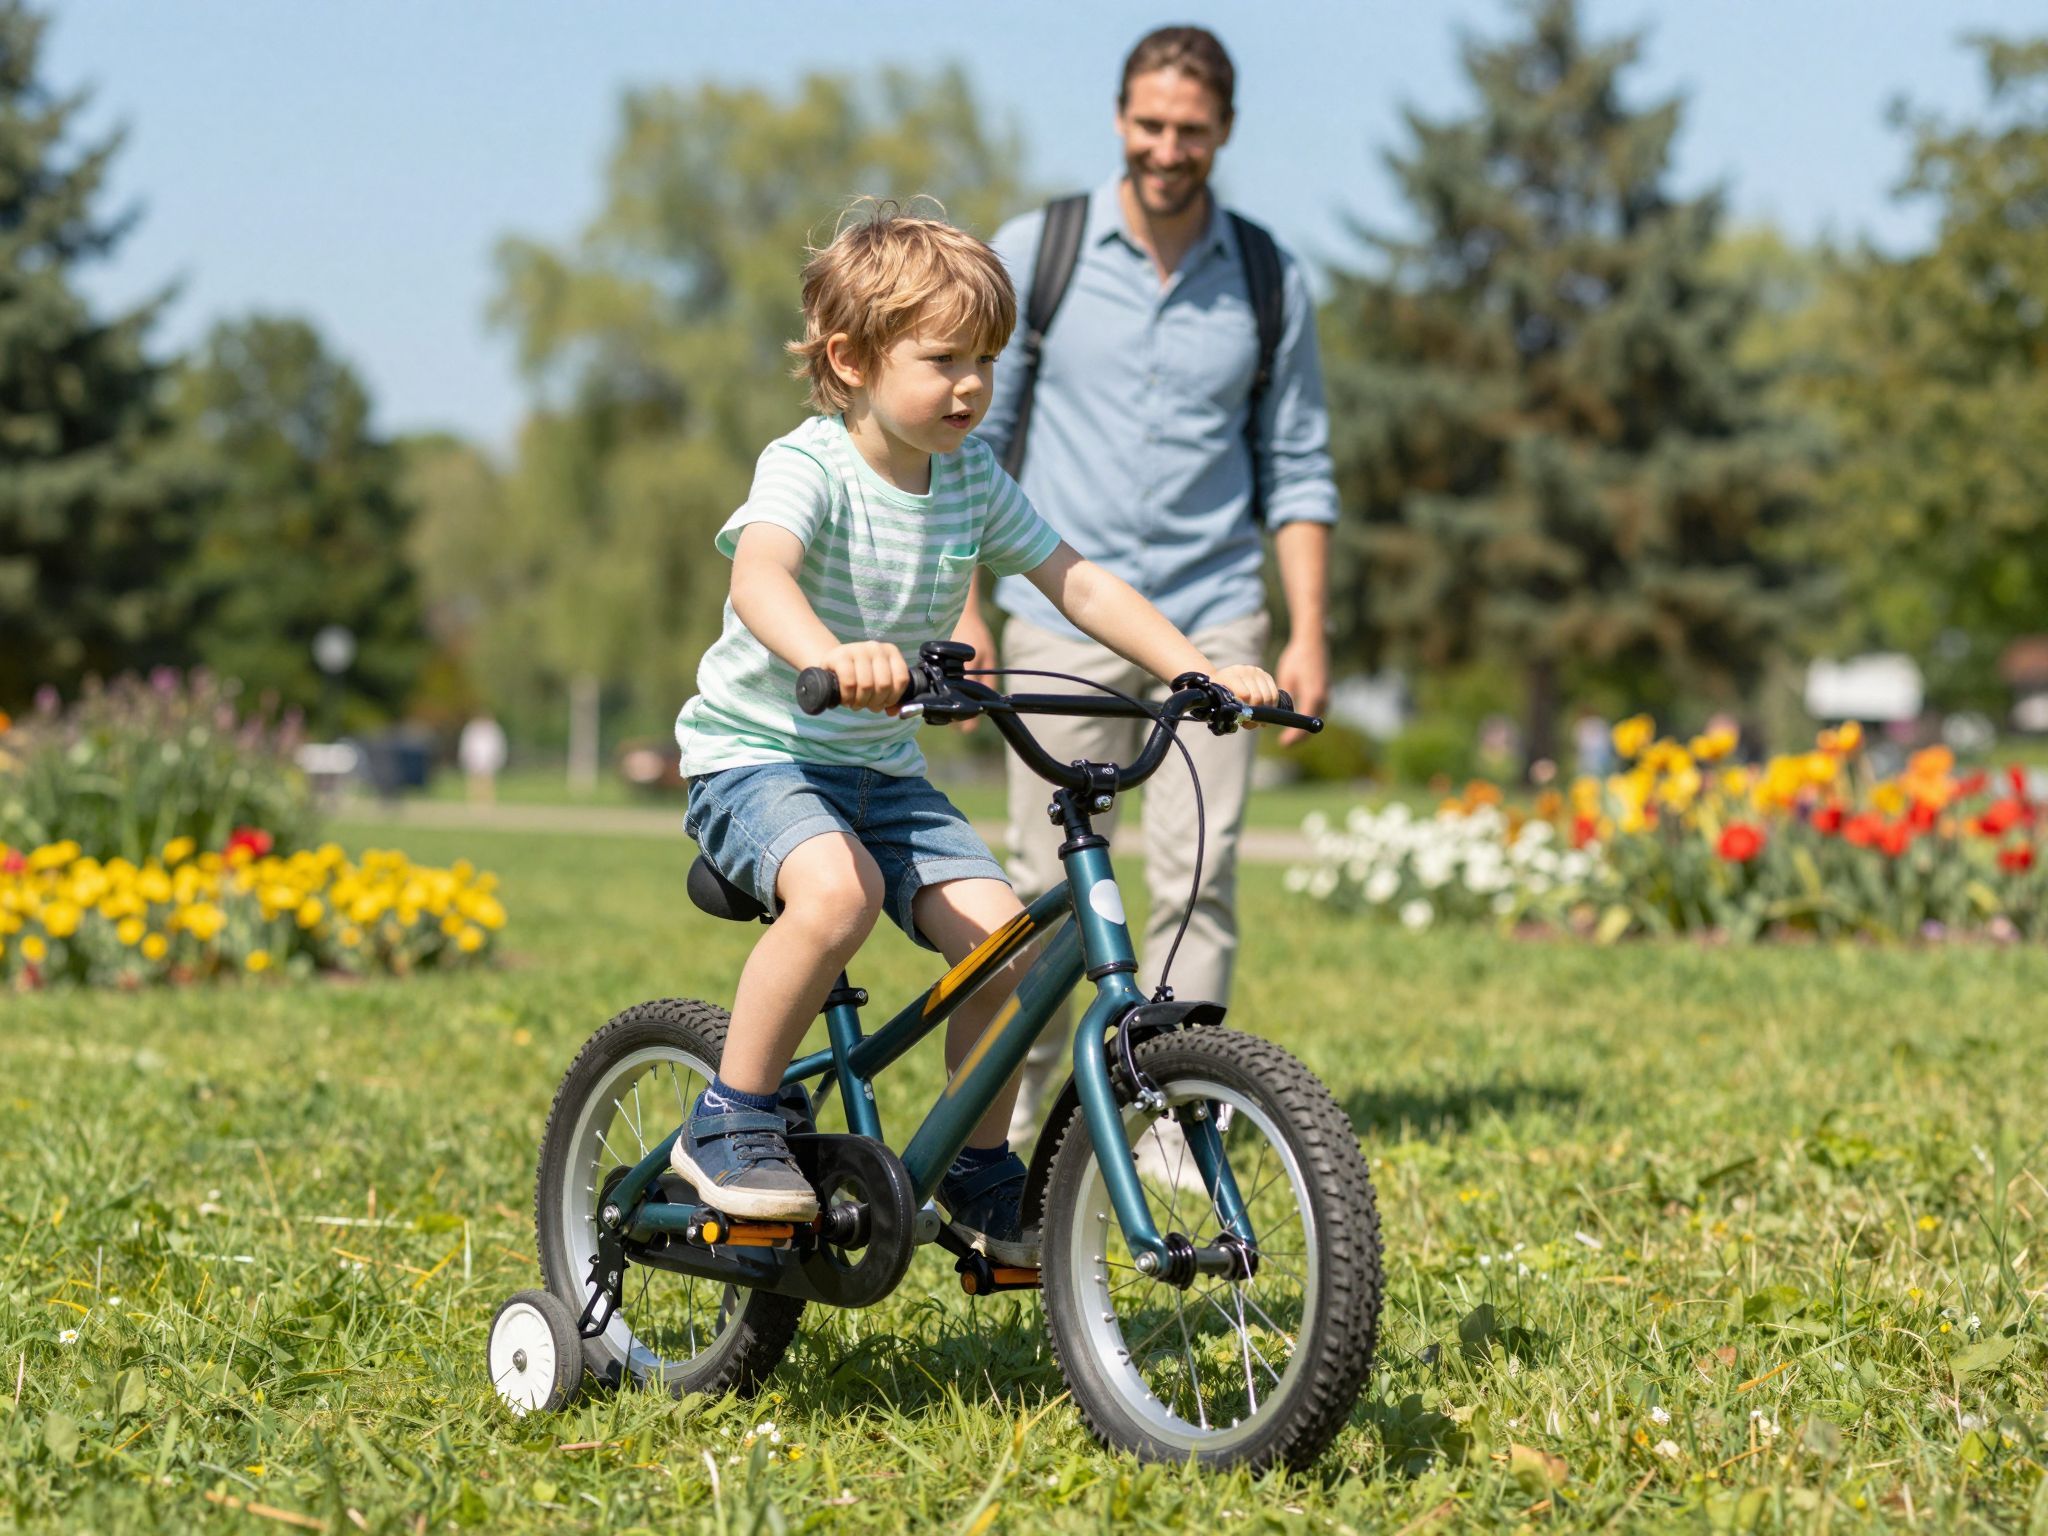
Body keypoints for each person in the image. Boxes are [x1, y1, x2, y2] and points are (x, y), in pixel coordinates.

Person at [670, 206, 1278, 1264]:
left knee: (1005, 941)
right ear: (852, 359)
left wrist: (1192, 666)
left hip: (879, 772)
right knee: (835, 894)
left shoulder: (968, 479)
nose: (971, 386)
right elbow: (758, 573)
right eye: (943, 358)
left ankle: (975, 1167)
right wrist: (832, 652)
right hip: (759, 755)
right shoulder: (808, 465)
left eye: (986, 360)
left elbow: (1073, 578)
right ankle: (728, 1114)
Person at [957, 27, 1339, 1146]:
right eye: (1148, 124)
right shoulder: (1042, 250)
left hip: (1213, 609)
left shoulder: (1267, 278)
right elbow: (971, 437)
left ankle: (1170, 1118)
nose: (1166, 148)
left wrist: (1305, 627)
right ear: (1119, 118)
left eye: (1189, 129)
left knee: (1198, 871)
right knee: (1042, 880)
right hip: (1052, 601)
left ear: (1221, 131)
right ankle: (1012, 1115)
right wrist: (962, 605)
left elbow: (1298, 464)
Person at [457, 714, 508, 805]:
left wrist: (496, 759)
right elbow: (467, 745)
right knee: (474, 780)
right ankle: (474, 801)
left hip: (488, 759)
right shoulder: (472, 730)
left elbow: (497, 746)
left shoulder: (492, 730)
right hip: (475, 758)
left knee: (488, 781)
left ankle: (487, 801)